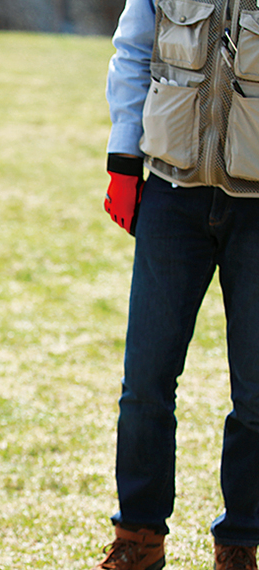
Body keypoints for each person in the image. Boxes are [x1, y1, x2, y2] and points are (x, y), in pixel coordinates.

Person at [96, 0, 259, 569]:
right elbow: (134, 51)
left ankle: (241, 540)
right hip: (172, 193)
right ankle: (139, 537)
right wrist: (123, 161)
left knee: (258, 394)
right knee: (145, 381)